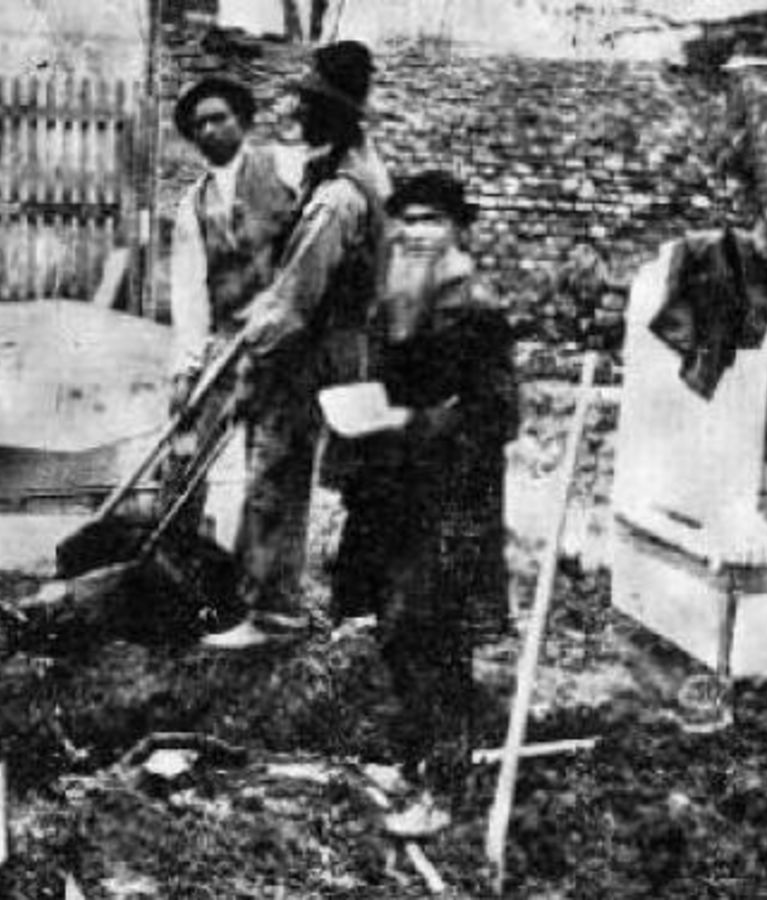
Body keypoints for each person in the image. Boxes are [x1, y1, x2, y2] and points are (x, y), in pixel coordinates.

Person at [332, 171, 519, 837]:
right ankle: (412, 760)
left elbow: (497, 415)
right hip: (393, 493)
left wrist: (408, 425)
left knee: (434, 638)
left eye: (430, 219)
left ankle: (444, 786)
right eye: (404, 219)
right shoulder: (401, 297)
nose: (413, 232)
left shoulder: (475, 306)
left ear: (459, 229)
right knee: (393, 627)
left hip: (449, 499)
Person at [200, 41, 391, 651]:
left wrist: (244, 361)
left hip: (312, 354)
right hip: (320, 346)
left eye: (309, 102)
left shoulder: (340, 197)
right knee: (276, 469)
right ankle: (267, 598)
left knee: (275, 471)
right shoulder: (342, 166)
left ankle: (272, 616)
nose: (298, 110)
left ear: (332, 111)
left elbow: (292, 300)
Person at [163, 74, 303, 539]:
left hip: (282, 340)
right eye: (198, 125)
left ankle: (260, 580)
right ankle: (175, 550)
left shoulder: (285, 168)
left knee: (270, 464)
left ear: (242, 122)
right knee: (187, 453)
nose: (208, 131)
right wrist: (187, 367)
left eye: (218, 119)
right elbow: (188, 292)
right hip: (226, 342)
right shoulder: (192, 205)